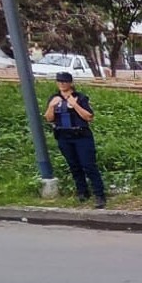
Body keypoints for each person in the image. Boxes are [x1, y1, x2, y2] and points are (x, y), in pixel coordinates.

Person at [44, 72, 106, 208]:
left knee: (88, 165)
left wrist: (75, 105)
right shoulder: (54, 98)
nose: (61, 84)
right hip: (63, 136)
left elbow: (89, 117)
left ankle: (99, 195)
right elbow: (48, 118)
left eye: (64, 81)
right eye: (59, 81)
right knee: (74, 166)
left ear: (70, 83)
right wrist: (51, 106)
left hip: (81, 135)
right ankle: (82, 192)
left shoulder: (80, 98)